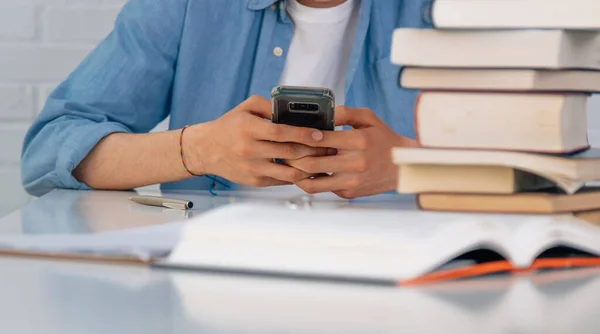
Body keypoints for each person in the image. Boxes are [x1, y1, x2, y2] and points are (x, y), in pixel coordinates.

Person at [21, 0, 432, 199]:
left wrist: (409, 166)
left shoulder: (452, 10)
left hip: (398, 269)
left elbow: (499, 165)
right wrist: (197, 150)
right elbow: (50, 148)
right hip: (216, 269)